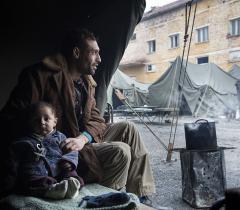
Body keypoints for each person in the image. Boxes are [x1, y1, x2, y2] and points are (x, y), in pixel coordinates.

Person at [0, 28, 155, 206]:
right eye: (94, 53)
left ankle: (139, 196)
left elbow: (97, 119)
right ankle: (100, 201)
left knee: (129, 128)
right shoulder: (40, 76)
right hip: (61, 148)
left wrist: (83, 138)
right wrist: (46, 136)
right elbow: (10, 119)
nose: (99, 59)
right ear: (76, 52)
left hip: (79, 140)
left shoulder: (87, 83)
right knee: (121, 151)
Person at [11, 101, 83, 199]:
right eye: (36, 120)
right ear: (30, 123)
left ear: (55, 122)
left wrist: (69, 161)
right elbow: (13, 159)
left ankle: (71, 185)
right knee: (30, 181)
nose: (42, 122)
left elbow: (72, 150)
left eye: (46, 119)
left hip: (60, 169)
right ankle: (51, 190)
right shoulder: (24, 141)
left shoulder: (61, 137)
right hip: (37, 174)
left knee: (72, 174)